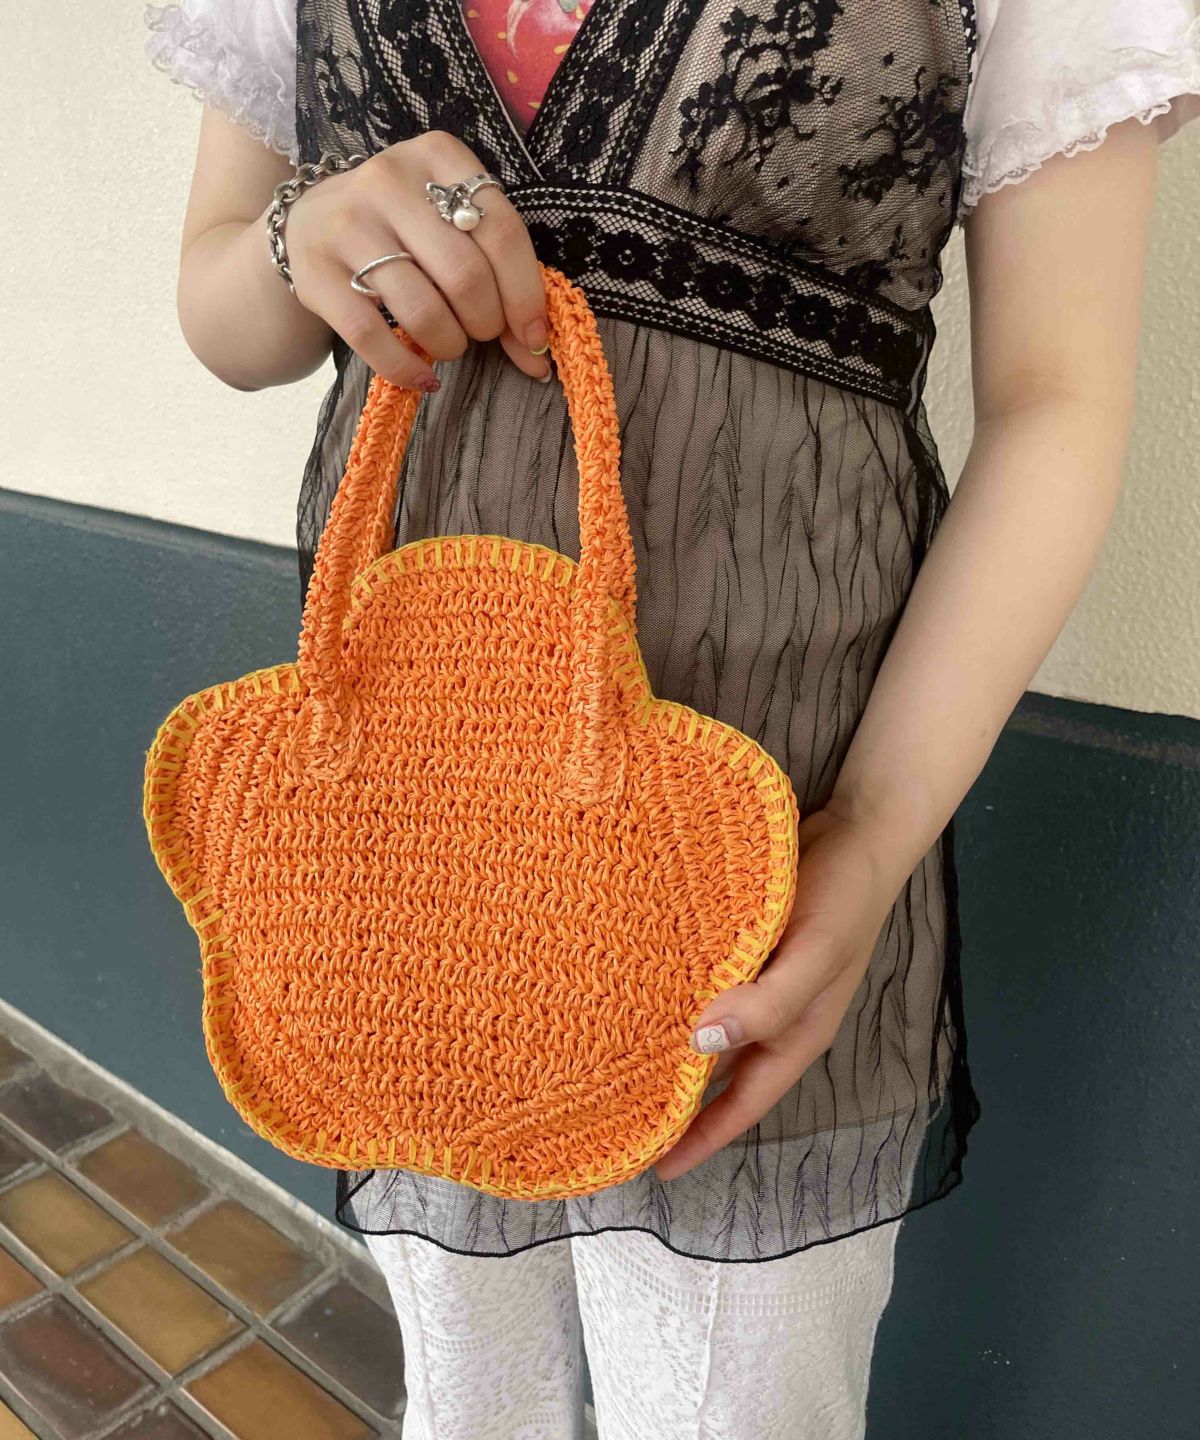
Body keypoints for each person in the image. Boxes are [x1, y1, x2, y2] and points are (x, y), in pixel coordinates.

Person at [143, 1, 1200, 1435]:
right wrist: (299, 238)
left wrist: (876, 830)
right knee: (465, 1399)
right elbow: (222, 310)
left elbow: (1054, 399)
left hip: (773, 833)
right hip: (401, 825)